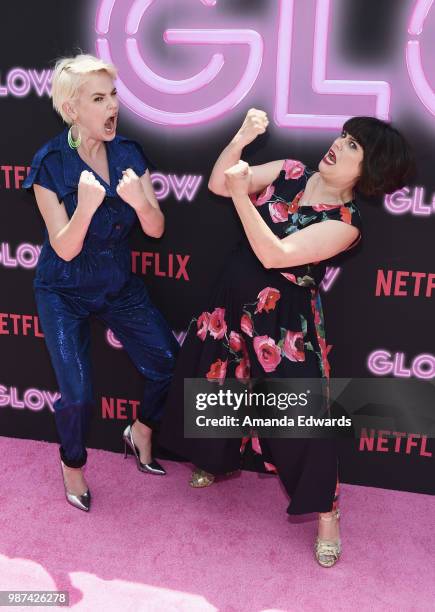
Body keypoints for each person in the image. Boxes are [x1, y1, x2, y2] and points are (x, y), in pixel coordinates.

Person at [159, 109, 414, 567]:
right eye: (344, 135)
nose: (339, 143)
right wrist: (241, 138)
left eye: (355, 145)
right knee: (217, 386)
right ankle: (217, 462)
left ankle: (327, 513)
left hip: (283, 323)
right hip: (230, 299)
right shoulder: (290, 170)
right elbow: (220, 182)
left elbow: (276, 255)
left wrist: (242, 196)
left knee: (300, 420)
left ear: (368, 170)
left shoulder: (346, 222)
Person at [23, 54, 179, 512]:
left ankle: (142, 430)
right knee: (78, 396)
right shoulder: (50, 164)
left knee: (168, 361)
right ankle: (72, 463)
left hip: (117, 281)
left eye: (113, 95)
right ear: (72, 110)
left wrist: (141, 203)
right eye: (98, 98)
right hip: (63, 288)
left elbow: (155, 229)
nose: (112, 106)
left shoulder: (129, 153)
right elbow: (65, 248)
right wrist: (86, 207)